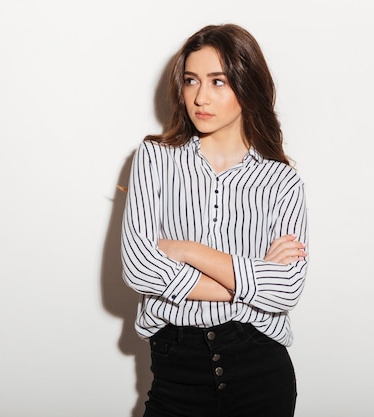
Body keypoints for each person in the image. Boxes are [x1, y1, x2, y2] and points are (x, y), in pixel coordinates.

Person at [121, 23, 308, 417]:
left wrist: (187, 250)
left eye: (218, 82)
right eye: (191, 81)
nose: (200, 97)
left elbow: (287, 289)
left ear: (247, 85)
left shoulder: (282, 180)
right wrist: (250, 281)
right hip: (176, 369)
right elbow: (139, 269)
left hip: (259, 367)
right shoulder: (155, 158)